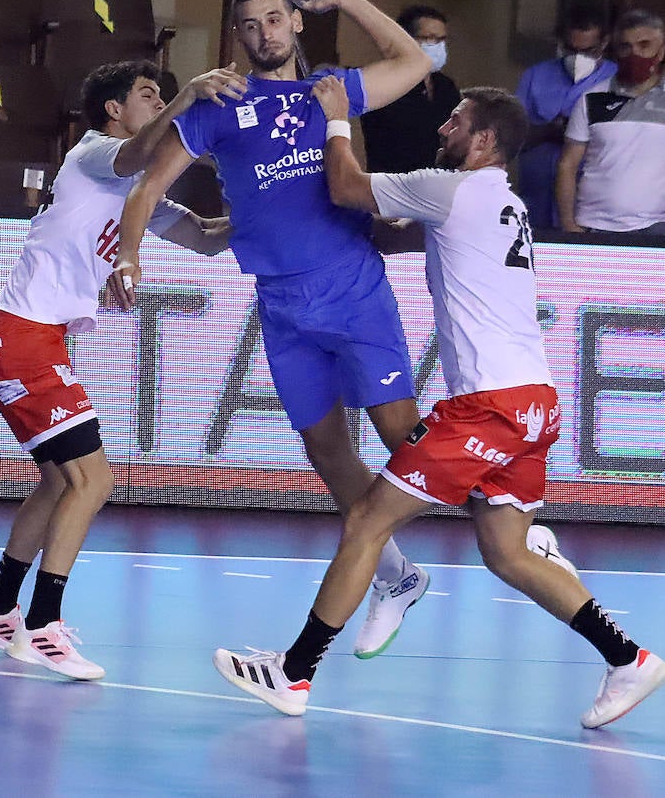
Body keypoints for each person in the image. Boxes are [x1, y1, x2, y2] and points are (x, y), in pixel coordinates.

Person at [214, 81, 665, 729]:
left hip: (489, 406)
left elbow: (346, 186)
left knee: (369, 518)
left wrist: (337, 121)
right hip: (536, 402)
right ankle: (627, 657)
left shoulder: (451, 188)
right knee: (505, 551)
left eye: (455, 122)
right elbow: (397, 236)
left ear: (484, 141)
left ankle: (294, 673)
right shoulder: (503, 203)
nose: (441, 130)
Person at [109, 0, 437, 660]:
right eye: (251, 25)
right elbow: (144, 186)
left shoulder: (334, 89)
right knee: (326, 452)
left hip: (351, 286)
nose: (265, 33)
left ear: (296, 22)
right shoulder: (218, 102)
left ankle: (514, 518)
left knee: (406, 438)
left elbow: (414, 61)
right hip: (281, 304)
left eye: (275, 19)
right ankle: (396, 575)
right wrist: (129, 257)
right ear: (238, 38)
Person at [0, 60, 238, 680]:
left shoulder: (141, 193)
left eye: (164, 93)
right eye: (149, 94)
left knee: (62, 482)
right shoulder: (94, 153)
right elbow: (141, 149)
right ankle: (42, 627)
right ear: (114, 110)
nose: (160, 100)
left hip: (36, 341)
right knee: (94, 480)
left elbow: (206, 237)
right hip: (19, 338)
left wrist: (271, 205)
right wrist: (189, 97)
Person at [554, 8, 665, 236]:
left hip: (656, 228)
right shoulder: (591, 99)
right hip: (593, 227)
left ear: (661, 50)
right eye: (626, 47)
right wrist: (569, 225)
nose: (635, 54)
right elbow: (567, 165)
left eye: (644, 45)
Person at [515, 6, 615, 229]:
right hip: (536, 193)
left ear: (604, 43)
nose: (578, 58)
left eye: (587, 51)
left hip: (588, 201)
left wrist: (577, 133)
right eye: (571, 49)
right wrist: (549, 130)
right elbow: (513, 135)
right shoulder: (536, 75)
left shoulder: (615, 80)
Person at [359, 5, 461, 173]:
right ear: (405, 39)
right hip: (392, 183)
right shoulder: (383, 82)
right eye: (430, 38)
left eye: (442, 40)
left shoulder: (445, 86)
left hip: (436, 181)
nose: (437, 46)